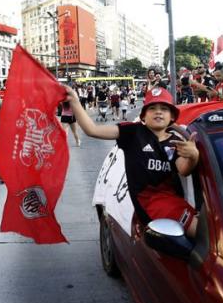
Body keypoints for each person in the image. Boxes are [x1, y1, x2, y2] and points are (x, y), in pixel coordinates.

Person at [64, 85, 200, 236]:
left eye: (164, 108)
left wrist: (193, 156)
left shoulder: (177, 141)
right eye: (152, 108)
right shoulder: (132, 132)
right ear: (143, 116)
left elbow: (184, 169)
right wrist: (74, 101)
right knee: (202, 233)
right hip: (150, 205)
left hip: (174, 202)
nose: (158, 111)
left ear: (172, 116)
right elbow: (92, 130)